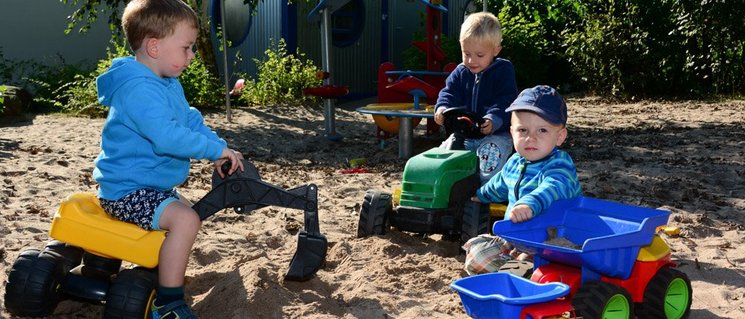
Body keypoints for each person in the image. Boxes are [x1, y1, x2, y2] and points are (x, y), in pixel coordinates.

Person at [93, 0, 244, 318]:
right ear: (154, 46)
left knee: (186, 212)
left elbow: (189, 121)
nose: (191, 56)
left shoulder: (167, 83)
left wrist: (220, 147)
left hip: (148, 185)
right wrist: (213, 152)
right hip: (127, 190)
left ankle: (162, 273)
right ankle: (169, 302)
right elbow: (166, 137)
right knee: (187, 219)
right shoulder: (138, 90)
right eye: (187, 48)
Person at [463, 85, 582, 275]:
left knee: (541, 262)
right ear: (512, 133)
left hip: (548, 241)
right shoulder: (515, 161)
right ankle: (516, 270)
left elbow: (553, 187)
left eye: (542, 131)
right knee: (477, 251)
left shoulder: (560, 164)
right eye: (523, 130)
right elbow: (499, 184)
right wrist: (480, 195)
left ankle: (525, 271)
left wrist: (529, 204)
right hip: (515, 237)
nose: (530, 138)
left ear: (559, 136)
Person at [434, 12, 518, 184]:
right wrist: (442, 108)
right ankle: (444, 185)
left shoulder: (503, 70)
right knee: (443, 154)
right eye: (466, 54)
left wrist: (493, 119)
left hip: (495, 134)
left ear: (496, 50)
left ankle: (487, 191)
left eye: (479, 55)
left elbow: (506, 99)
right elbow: (448, 92)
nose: (471, 60)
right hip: (464, 134)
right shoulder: (460, 72)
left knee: (490, 160)